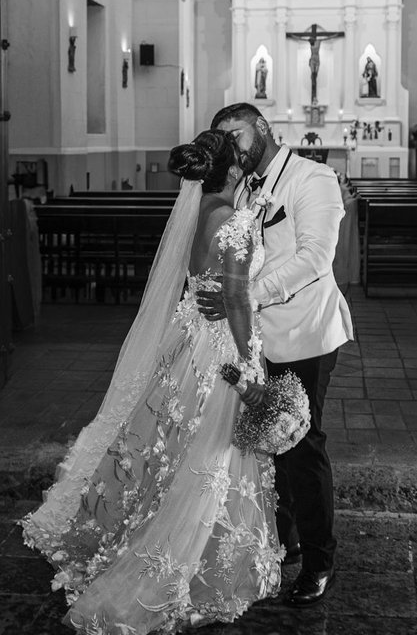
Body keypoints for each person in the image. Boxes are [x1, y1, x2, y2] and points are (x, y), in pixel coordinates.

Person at [21, 130, 283, 634]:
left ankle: (173, 534)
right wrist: (251, 365)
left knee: (177, 446)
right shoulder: (236, 221)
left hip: (189, 340)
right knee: (211, 453)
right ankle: (185, 556)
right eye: (241, 159)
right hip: (221, 348)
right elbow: (235, 298)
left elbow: (204, 283)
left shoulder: (200, 211)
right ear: (233, 170)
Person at [200, 102, 354, 608]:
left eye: (237, 135)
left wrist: (247, 296)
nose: (233, 147)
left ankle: (319, 561)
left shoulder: (313, 178)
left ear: (262, 128)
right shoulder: (243, 187)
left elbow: (316, 258)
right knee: (269, 442)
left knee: (301, 443)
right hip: (255, 338)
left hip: (305, 331)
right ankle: (286, 538)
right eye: (224, 139)